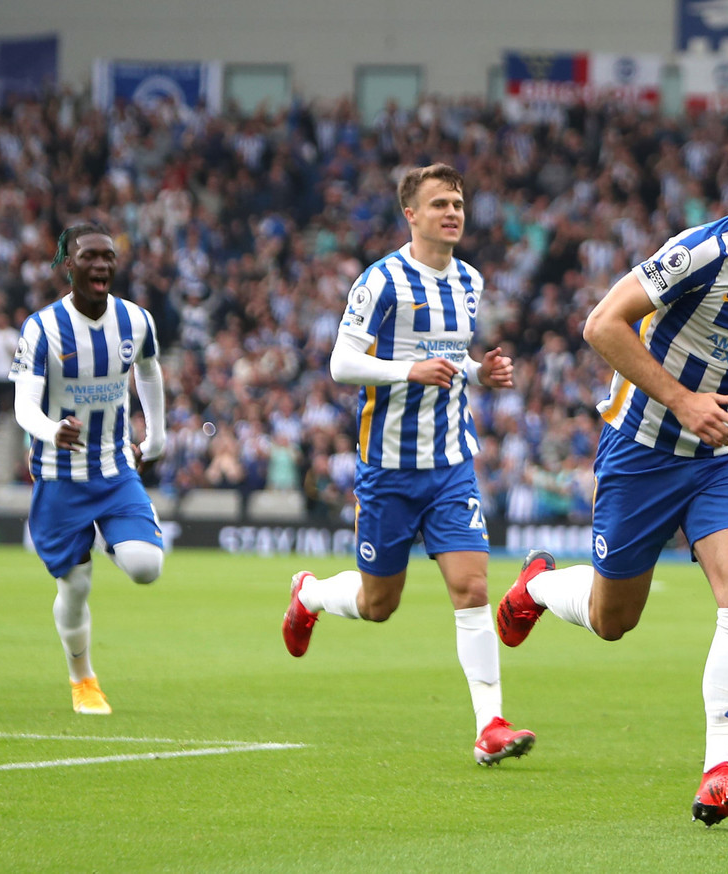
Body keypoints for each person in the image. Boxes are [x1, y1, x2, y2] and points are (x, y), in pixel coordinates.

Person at [495, 144, 728, 826]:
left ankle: (719, 769)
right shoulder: (708, 251)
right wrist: (685, 400)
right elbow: (602, 323)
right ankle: (537, 586)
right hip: (642, 450)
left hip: (723, 458)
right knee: (612, 620)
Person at [280, 163, 536, 766]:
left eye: (459, 203)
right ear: (412, 215)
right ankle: (310, 594)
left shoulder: (469, 280)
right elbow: (342, 364)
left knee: (472, 588)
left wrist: (481, 373)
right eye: (440, 203)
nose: (453, 212)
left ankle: (489, 725)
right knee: (379, 604)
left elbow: (451, 359)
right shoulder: (381, 282)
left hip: (451, 463)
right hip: (389, 469)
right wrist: (407, 370)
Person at [10, 223, 168, 715]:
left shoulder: (136, 320)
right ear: (68, 265)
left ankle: (105, 535)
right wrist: (49, 429)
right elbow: (23, 406)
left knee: (146, 567)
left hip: (115, 466)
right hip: (59, 476)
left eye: (108, 256)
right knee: (75, 588)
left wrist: (157, 436)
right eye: (89, 256)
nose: (101, 265)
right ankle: (83, 680)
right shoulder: (42, 328)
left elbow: (148, 370)